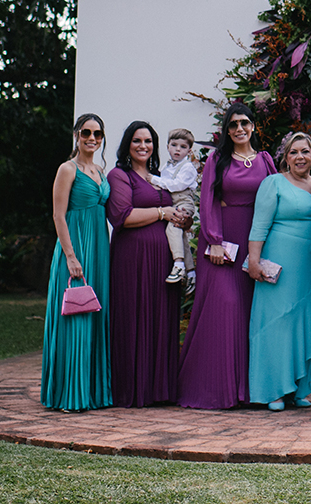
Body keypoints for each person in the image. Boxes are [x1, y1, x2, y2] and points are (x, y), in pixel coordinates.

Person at [178, 102, 276, 408]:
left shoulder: (265, 160)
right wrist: (215, 241)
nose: (239, 129)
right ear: (226, 130)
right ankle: (216, 389)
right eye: (233, 125)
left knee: (251, 315)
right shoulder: (217, 160)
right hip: (224, 247)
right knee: (226, 308)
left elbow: (277, 199)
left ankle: (249, 391)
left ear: (253, 126)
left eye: (244, 123)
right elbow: (208, 200)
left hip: (257, 244)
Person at [106, 120, 190, 407]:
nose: (143, 146)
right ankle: (132, 389)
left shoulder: (161, 176)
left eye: (149, 141)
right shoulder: (120, 176)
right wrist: (162, 212)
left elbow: (174, 210)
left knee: (161, 318)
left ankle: (160, 390)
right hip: (132, 259)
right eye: (137, 141)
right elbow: (122, 216)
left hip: (164, 260)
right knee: (133, 317)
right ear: (127, 145)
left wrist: (181, 218)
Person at [246, 131, 311, 410]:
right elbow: (259, 225)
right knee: (276, 323)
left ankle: (298, 387)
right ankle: (273, 390)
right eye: (294, 152)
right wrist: (254, 261)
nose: (300, 157)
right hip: (279, 262)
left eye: (305, 151)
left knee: (303, 321)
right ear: (285, 158)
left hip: (310, 266)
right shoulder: (274, 183)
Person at [41, 113, 113, 410]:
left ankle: (94, 391)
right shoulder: (67, 169)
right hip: (76, 249)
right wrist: (71, 256)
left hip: (99, 249)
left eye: (97, 134)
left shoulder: (99, 170)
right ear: (76, 135)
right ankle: (71, 393)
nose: (92, 138)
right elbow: (59, 215)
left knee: (95, 315)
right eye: (86, 133)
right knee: (77, 317)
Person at [149, 127, 200, 285]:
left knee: (173, 226)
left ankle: (178, 264)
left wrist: (154, 180)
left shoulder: (188, 168)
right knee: (181, 236)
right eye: (174, 145)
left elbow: (176, 185)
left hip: (184, 202)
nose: (178, 149)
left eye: (183, 147)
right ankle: (191, 272)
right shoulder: (166, 167)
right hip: (173, 202)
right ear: (167, 146)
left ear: (189, 151)